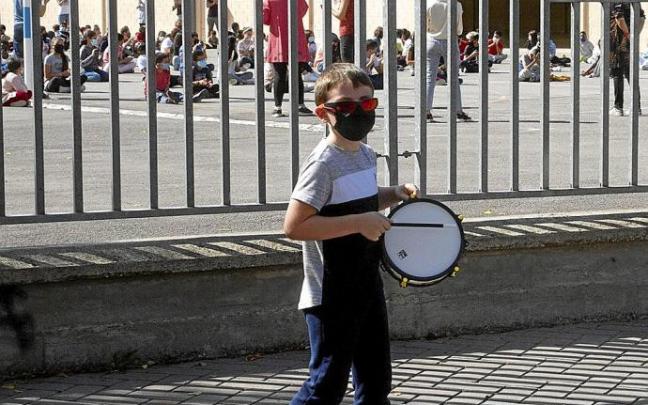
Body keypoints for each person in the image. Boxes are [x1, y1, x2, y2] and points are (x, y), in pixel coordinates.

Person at [285, 62, 417, 405]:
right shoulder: (322, 164)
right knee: (326, 383)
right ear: (323, 114)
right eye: (345, 106)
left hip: (366, 282)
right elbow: (295, 225)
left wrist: (394, 192)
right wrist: (360, 223)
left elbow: (361, 199)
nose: (357, 111)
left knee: (375, 379)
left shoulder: (365, 154)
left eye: (366, 103)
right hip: (330, 292)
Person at [263, 0, 313, 117]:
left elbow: (265, 18)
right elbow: (303, 10)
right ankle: (300, 105)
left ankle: (278, 107)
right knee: (296, 74)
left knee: (279, 74)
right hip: (295, 36)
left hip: (278, 38)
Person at [425, 0, 471, 123]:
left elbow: (425, 25)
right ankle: (457, 110)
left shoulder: (429, 4)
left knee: (430, 77)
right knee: (453, 77)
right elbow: (459, 29)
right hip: (449, 40)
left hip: (431, 40)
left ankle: (426, 110)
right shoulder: (456, 4)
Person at [609, 2, 645, 116]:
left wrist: (627, 34)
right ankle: (636, 107)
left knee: (617, 73)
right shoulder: (636, 2)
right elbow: (642, 18)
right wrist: (634, 36)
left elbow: (619, 17)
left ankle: (618, 107)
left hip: (618, 42)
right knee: (631, 74)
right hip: (630, 42)